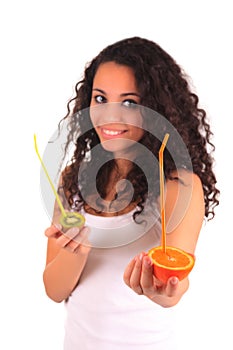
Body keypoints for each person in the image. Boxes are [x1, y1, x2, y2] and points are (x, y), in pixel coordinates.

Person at [42, 37, 219, 349]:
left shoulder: (180, 187)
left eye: (129, 103)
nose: (111, 115)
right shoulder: (74, 179)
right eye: (100, 99)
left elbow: (177, 281)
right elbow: (55, 291)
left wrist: (163, 289)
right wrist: (74, 251)